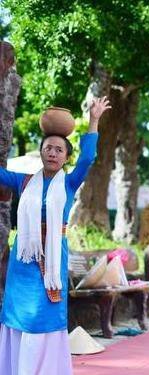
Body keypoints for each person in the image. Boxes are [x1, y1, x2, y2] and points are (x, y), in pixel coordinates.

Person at [0, 97, 110, 375]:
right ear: (41, 152)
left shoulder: (71, 182)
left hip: (51, 260)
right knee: (17, 315)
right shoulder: (23, 181)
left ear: (65, 157)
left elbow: (88, 158)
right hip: (23, 259)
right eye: (48, 148)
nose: (52, 153)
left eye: (59, 150)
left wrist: (94, 119)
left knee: (43, 312)